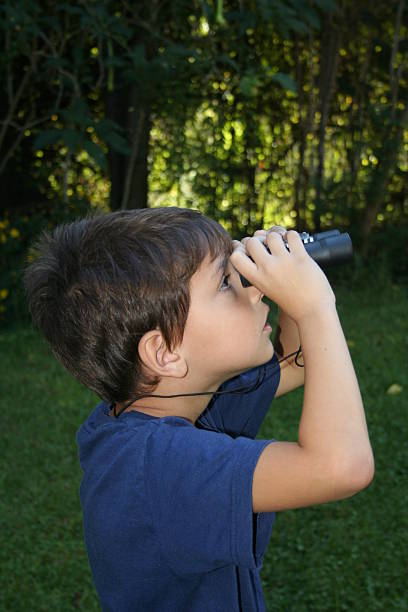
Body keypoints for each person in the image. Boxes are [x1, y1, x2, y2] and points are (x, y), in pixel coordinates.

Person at [24, 207, 374, 612]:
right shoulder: (158, 467)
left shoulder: (170, 406)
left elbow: (299, 359)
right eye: (227, 283)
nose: (254, 289)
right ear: (165, 352)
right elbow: (341, 466)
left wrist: (283, 272)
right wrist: (315, 308)